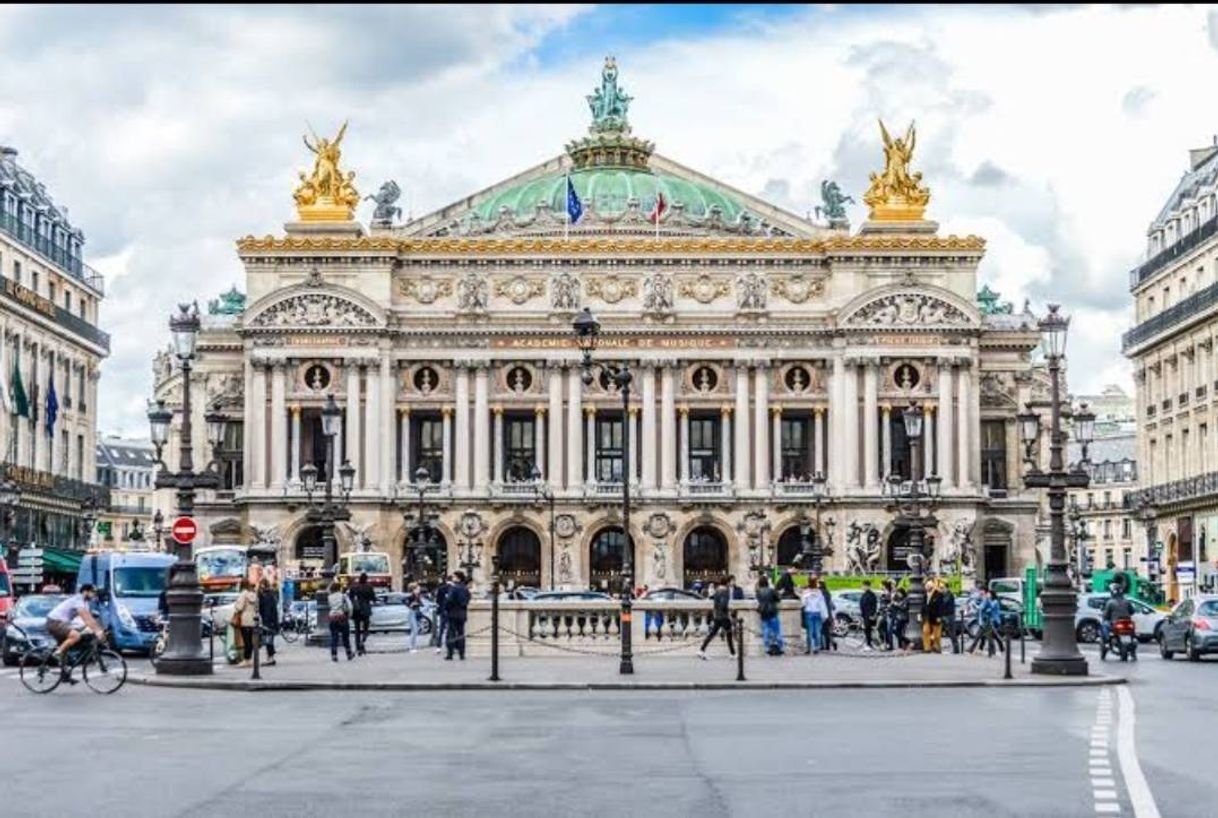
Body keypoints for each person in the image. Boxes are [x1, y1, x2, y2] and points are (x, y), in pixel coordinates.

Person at [46, 584, 105, 679]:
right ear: (85, 592)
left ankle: (64, 674)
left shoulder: (85, 603)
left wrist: (97, 629)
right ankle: (57, 653)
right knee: (75, 636)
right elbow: (87, 618)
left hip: (63, 623)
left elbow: (88, 619)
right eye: (93, 593)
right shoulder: (78, 600)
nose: (94, 595)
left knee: (76, 638)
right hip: (54, 622)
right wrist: (98, 631)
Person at [698, 577, 736, 659]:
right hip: (724, 616)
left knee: (712, 634)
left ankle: (702, 649)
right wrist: (727, 610)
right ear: (727, 583)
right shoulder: (725, 591)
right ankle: (732, 653)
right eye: (730, 582)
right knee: (729, 634)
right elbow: (723, 604)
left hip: (717, 615)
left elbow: (715, 603)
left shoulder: (717, 590)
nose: (731, 584)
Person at [1101, 585, 1135, 659]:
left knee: (1104, 625)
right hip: (1127, 623)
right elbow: (1132, 611)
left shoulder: (1110, 602)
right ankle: (1133, 650)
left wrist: (1105, 617)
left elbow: (1106, 615)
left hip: (1115, 623)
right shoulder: (1127, 601)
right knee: (1132, 632)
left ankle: (1106, 642)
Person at [444, 572, 471, 660]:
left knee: (451, 633)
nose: (453, 578)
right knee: (461, 633)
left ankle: (450, 654)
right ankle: (462, 654)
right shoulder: (465, 589)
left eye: (454, 577)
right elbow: (467, 599)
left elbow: (449, 600)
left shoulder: (454, 588)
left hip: (453, 613)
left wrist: (447, 608)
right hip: (462, 613)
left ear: (458, 578)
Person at [967, 589, 1003, 657]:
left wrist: (983, 603)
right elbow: (981, 607)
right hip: (985, 621)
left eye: (988, 594)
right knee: (986, 636)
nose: (987, 595)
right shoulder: (986, 600)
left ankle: (992, 651)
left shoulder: (993, 601)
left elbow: (988, 607)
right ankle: (991, 650)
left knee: (989, 636)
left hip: (990, 620)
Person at [232, 579, 259, 668]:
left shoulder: (243, 594)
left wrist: (236, 608)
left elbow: (239, 607)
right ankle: (250, 659)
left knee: (245, 640)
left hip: (244, 619)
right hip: (253, 619)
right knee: (250, 641)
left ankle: (246, 660)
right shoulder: (254, 595)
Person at [348, 572, 376, 656]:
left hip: (357, 610)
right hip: (366, 609)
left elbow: (350, 597)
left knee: (357, 630)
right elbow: (373, 597)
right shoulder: (369, 587)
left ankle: (358, 647)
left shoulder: (354, 587)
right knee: (366, 628)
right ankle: (362, 640)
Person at [755, 575, 783, 656]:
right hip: (772, 612)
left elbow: (758, 600)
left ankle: (767, 648)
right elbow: (778, 599)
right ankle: (780, 647)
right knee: (777, 630)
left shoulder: (758, 592)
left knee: (766, 631)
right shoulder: (771, 590)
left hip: (763, 613)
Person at [327, 581, 355, 662]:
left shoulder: (329, 597)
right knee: (345, 637)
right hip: (342, 617)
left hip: (332, 617)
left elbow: (330, 606)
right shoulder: (343, 596)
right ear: (339, 588)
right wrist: (349, 615)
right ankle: (349, 653)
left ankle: (334, 655)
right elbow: (350, 607)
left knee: (334, 637)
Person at [800, 578, 829, 654]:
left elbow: (803, 603)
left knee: (809, 631)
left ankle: (808, 648)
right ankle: (816, 647)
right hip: (817, 612)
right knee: (817, 631)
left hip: (809, 612)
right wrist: (825, 615)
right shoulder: (819, 592)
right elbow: (822, 605)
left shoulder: (805, 592)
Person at [257, 578, 279, 667]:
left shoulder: (266, 596)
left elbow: (267, 610)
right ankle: (270, 657)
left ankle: (270, 658)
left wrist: (265, 623)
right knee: (269, 640)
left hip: (268, 622)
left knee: (268, 640)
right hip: (272, 621)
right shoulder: (270, 594)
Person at [815, 575, 836, 651]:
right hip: (828, 614)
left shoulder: (819, 592)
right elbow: (830, 604)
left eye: (817, 583)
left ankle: (822, 646)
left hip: (822, 613)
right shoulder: (827, 592)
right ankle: (828, 645)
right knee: (826, 631)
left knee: (820, 630)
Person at [922, 578, 943, 653]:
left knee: (936, 634)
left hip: (935, 616)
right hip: (927, 616)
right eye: (926, 587)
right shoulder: (925, 595)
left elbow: (940, 606)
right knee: (925, 631)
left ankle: (937, 647)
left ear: (931, 587)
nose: (927, 588)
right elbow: (923, 606)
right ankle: (927, 648)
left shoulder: (938, 594)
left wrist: (939, 616)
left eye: (928, 587)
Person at [433, 575, 452, 654]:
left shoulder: (441, 589)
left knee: (441, 629)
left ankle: (438, 646)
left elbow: (437, 601)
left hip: (443, 611)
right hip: (451, 611)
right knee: (451, 630)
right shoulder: (454, 588)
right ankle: (450, 646)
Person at [940, 583, 959, 654]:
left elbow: (944, 602)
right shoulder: (945, 595)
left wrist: (940, 595)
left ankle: (956, 649)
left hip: (950, 616)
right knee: (949, 632)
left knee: (952, 633)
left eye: (943, 588)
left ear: (947, 588)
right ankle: (955, 648)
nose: (942, 589)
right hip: (946, 615)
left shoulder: (949, 594)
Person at [859, 580, 878, 651]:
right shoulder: (864, 594)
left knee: (868, 629)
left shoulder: (871, 595)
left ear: (867, 586)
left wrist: (872, 614)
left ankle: (869, 644)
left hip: (869, 615)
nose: (862, 587)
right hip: (865, 615)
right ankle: (868, 643)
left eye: (863, 586)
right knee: (866, 630)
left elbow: (874, 606)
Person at [405, 582, 424, 653]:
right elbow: (404, 600)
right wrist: (410, 605)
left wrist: (418, 604)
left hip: (416, 613)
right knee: (414, 630)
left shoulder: (418, 596)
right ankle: (411, 647)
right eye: (418, 589)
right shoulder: (411, 596)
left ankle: (413, 646)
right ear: (413, 589)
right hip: (412, 612)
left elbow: (421, 604)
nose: (419, 590)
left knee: (416, 630)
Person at [890, 586, 910, 651]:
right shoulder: (899, 599)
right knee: (897, 631)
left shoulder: (906, 599)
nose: (898, 595)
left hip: (903, 617)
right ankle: (901, 645)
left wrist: (896, 604)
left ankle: (905, 642)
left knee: (897, 631)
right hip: (899, 617)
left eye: (899, 593)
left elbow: (904, 607)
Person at [878, 580, 894, 650]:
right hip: (883, 613)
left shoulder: (888, 594)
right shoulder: (884, 593)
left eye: (880, 585)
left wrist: (886, 609)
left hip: (886, 614)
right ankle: (886, 644)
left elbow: (890, 604)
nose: (879, 586)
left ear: (884, 586)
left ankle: (888, 644)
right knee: (884, 629)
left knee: (885, 629)